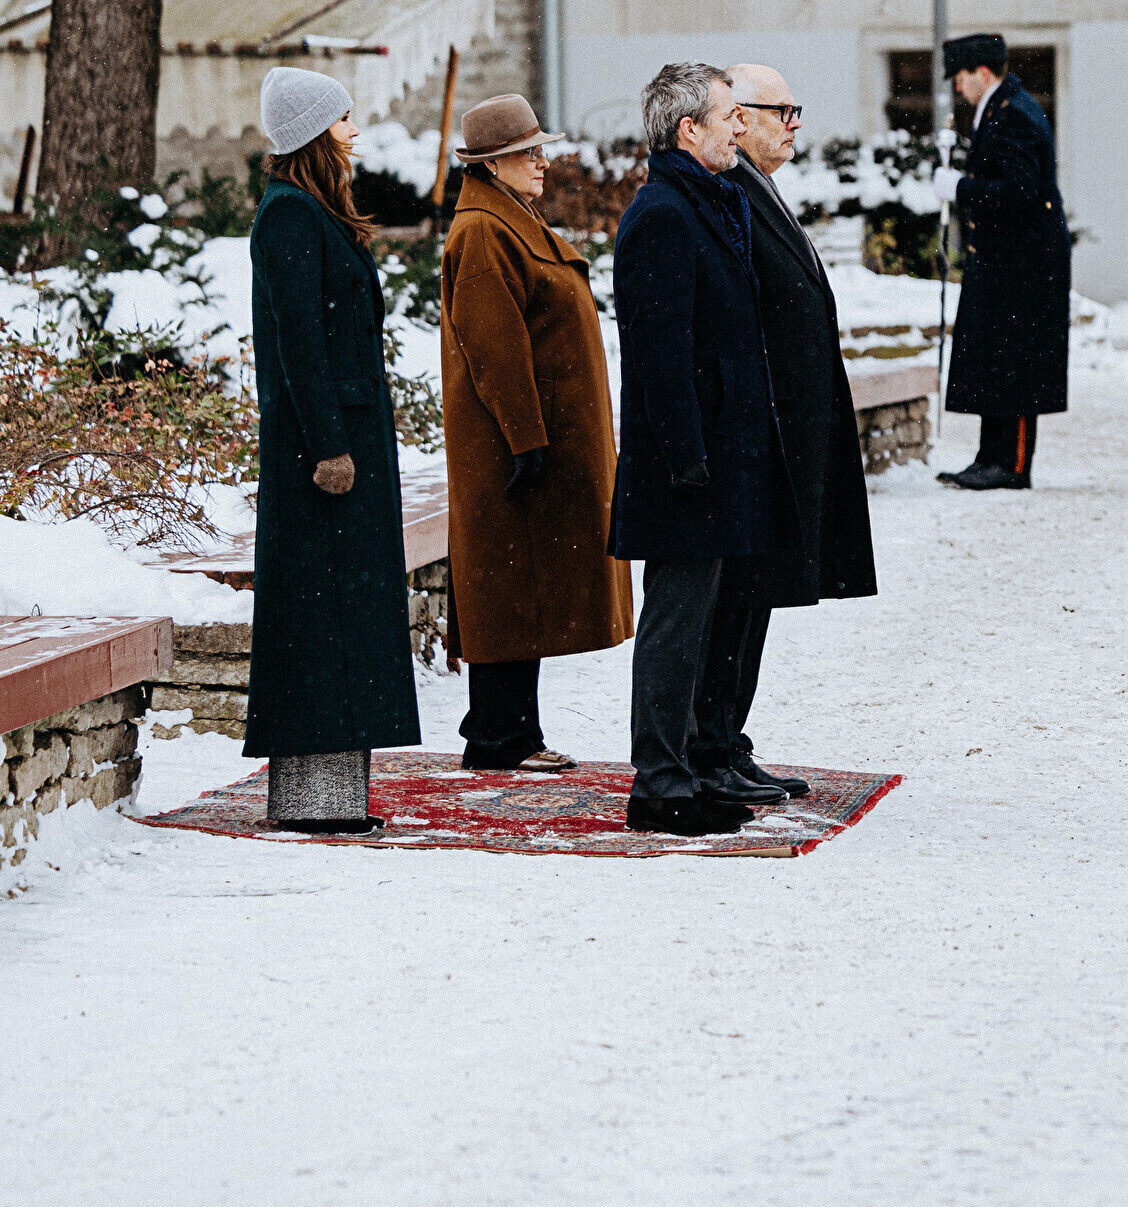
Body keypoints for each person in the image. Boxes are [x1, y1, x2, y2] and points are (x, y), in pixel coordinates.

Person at [610, 62, 793, 837]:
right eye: (727, 116)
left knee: (705, 624)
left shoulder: (710, 201)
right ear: (689, 129)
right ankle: (658, 784)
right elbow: (660, 353)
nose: (739, 127)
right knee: (676, 625)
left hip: (722, 455)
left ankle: (685, 767)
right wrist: (687, 457)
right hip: (685, 465)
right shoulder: (662, 213)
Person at [243, 67, 420, 833]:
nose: (353, 132)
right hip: (321, 455)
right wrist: (327, 446)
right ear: (313, 132)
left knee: (342, 619)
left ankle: (334, 798)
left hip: (344, 441)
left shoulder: (310, 210)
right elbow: (299, 344)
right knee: (321, 625)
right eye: (342, 119)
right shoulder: (289, 215)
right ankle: (314, 803)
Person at [700, 63, 881, 801]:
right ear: (738, 117)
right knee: (736, 598)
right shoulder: (729, 191)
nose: (795, 123)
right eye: (783, 110)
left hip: (786, 430)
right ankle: (708, 744)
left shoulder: (757, 187)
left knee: (760, 595)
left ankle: (727, 739)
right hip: (757, 433)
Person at [438, 93, 630, 772]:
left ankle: (512, 731)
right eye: (527, 153)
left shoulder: (505, 221)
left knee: (521, 586)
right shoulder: (484, 232)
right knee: (507, 589)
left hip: (529, 440)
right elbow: (495, 347)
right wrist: (526, 438)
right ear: (491, 165)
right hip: (510, 446)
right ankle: (498, 736)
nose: (542, 161)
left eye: (540, 149)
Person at [929, 33, 1073, 490]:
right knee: (995, 357)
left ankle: (1011, 464)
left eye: (960, 77)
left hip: (1024, 262)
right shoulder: (1001, 110)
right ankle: (989, 457)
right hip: (1006, 258)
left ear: (983, 72)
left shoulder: (1014, 115)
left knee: (1016, 361)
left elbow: (1018, 190)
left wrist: (959, 188)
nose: (957, 87)